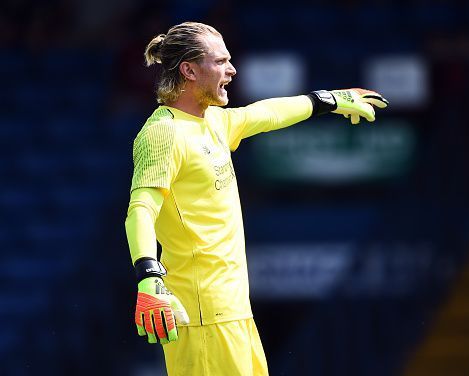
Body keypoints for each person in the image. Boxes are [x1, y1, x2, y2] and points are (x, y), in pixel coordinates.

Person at [124, 21, 388, 376]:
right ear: (188, 70)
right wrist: (148, 275)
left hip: (233, 313)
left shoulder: (213, 121)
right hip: (203, 317)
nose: (232, 70)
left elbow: (263, 114)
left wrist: (326, 99)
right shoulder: (163, 134)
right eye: (220, 62)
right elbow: (140, 209)